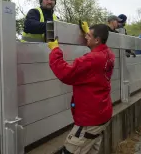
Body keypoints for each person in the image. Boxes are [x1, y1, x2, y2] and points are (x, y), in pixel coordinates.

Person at [48, 23, 115, 154]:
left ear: (97, 40)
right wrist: (90, 33)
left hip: (89, 119)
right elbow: (99, 52)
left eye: (88, 35)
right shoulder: (109, 54)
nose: (85, 37)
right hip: (102, 113)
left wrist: (55, 50)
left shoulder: (91, 59)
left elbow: (65, 74)